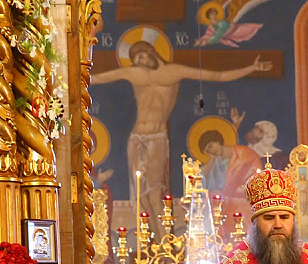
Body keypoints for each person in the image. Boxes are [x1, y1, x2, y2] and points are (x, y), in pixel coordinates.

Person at [91, 41, 272, 234]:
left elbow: (217, 76)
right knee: (141, 196)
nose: (142, 62)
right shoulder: (133, 73)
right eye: (137, 60)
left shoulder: (174, 71)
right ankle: (152, 244)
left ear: (151, 52)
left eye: (143, 56)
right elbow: (98, 78)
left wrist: (251, 68)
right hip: (136, 138)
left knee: (153, 194)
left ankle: (164, 243)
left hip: (156, 138)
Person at [199, 128, 262, 227]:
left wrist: (231, 192)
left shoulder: (245, 153)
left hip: (242, 203)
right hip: (223, 207)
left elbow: (256, 182)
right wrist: (212, 158)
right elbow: (201, 179)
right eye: (208, 151)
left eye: (211, 146)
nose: (212, 150)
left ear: (217, 141)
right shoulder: (215, 163)